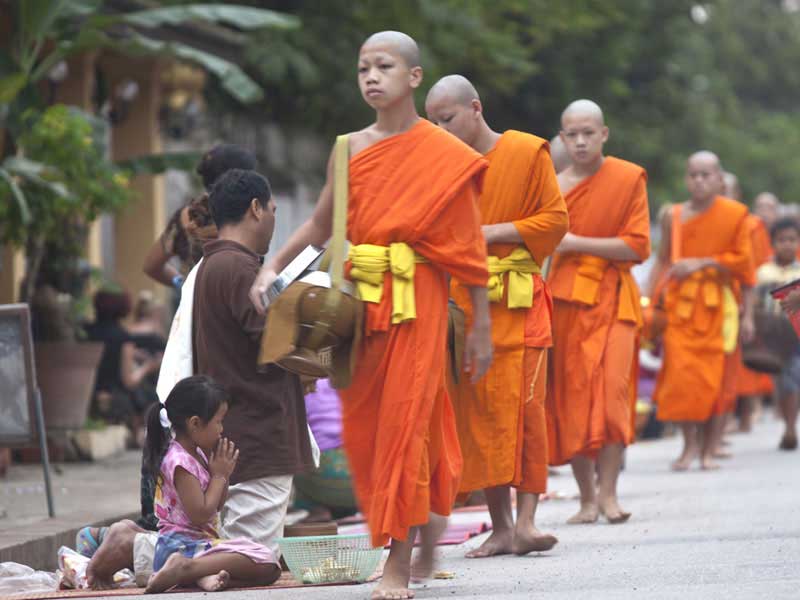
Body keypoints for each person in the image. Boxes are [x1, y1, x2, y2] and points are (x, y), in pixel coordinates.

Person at [248, 31, 493, 600]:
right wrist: (270, 269)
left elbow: (468, 248)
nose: (371, 77)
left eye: (384, 66)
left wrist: (480, 324)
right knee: (370, 436)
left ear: (414, 77)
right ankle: (426, 521)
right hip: (362, 305)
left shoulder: (445, 155)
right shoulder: (348, 148)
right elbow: (317, 225)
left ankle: (397, 565)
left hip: (420, 303)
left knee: (405, 428)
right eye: (363, 68)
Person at [424, 75, 567, 561]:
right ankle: (502, 527)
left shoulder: (528, 152)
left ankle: (527, 522)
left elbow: (555, 222)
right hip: (468, 307)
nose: (440, 131)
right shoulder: (442, 165)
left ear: (476, 108)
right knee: (479, 418)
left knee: (528, 414)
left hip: (521, 303)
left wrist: (488, 232)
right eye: (433, 123)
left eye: (447, 119)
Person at [194, 169, 314, 555]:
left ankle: (138, 547)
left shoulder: (214, 265)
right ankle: (136, 548)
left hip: (238, 430)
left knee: (237, 548)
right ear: (256, 209)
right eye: (274, 210)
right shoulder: (242, 269)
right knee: (249, 557)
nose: (276, 220)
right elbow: (276, 343)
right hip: (257, 432)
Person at [546, 99, 651, 524]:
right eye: (573, 134)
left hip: (614, 299)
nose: (582, 141)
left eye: (590, 132)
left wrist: (576, 243)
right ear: (563, 136)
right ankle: (586, 499)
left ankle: (609, 495)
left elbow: (638, 246)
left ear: (604, 134)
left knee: (612, 398)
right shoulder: (552, 186)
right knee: (572, 400)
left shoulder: (627, 178)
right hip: (567, 302)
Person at [650, 151, 754, 471]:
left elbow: (745, 268)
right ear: (686, 179)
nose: (699, 181)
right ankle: (688, 446)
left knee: (716, 381)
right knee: (681, 379)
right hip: (681, 310)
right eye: (693, 174)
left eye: (706, 175)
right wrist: (648, 301)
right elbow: (663, 260)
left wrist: (747, 315)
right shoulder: (675, 215)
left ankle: (709, 449)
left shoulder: (736, 215)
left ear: (720, 179)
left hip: (718, 308)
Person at [142, 375, 281, 593]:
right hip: (181, 548)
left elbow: (215, 505)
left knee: (271, 570)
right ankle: (186, 569)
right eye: (218, 421)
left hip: (194, 547)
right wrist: (219, 477)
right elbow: (200, 514)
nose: (221, 429)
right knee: (265, 558)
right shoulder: (180, 462)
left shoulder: (196, 454)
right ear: (195, 423)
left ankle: (201, 576)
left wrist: (223, 475)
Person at [142, 144, 257, 291]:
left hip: (194, 309)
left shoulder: (186, 217)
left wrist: (182, 283)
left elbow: (151, 265)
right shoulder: (243, 218)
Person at [85, 290, 162, 443]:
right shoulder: (122, 337)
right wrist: (148, 366)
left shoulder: (86, 332)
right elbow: (129, 381)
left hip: (88, 394)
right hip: (116, 398)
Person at [755, 218, 800, 450]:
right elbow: (756, 303)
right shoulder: (763, 272)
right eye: (782, 240)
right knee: (785, 382)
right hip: (775, 335)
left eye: (792, 239)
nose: (787, 244)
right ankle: (790, 427)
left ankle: (791, 427)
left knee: (792, 377)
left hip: (797, 334)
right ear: (773, 243)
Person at [293, 379, 357, 522]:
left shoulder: (302, 385)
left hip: (324, 472)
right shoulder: (339, 382)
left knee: (292, 453)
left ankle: (317, 509)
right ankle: (352, 510)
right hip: (359, 472)